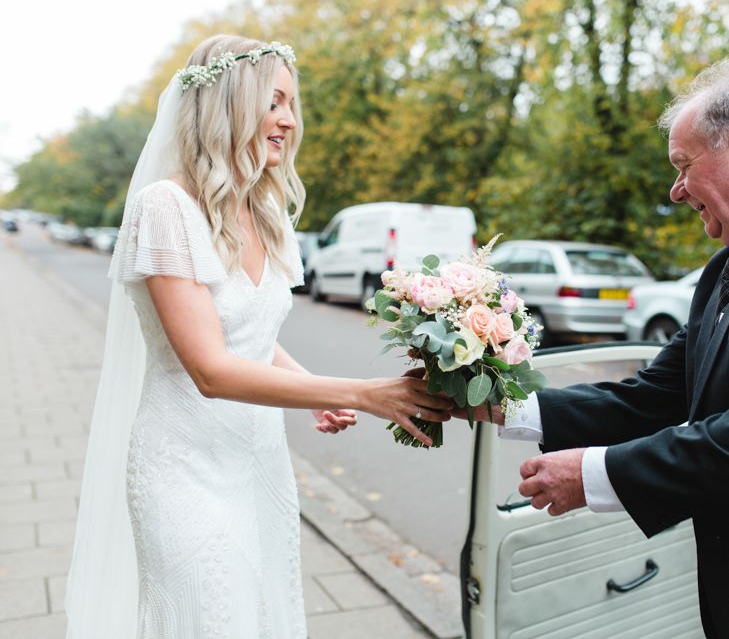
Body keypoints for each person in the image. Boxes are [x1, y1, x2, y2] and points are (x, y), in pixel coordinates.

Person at [65, 35, 452, 639]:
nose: (290, 121)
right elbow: (212, 368)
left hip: (259, 462)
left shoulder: (266, 212)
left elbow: (249, 332)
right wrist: (362, 393)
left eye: (292, 105)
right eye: (275, 102)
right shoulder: (165, 207)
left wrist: (308, 385)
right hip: (183, 468)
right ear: (228, 102)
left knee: (263, 616)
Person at [459, 60, 729, 638]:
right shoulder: (718, 275)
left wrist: (595, 472)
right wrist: (494, 401)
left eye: (684, 166)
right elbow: (650, 399)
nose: (675, 190)